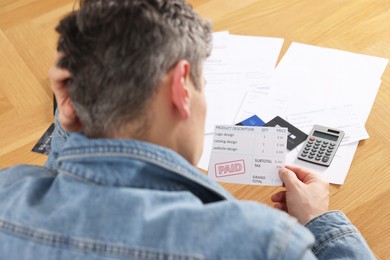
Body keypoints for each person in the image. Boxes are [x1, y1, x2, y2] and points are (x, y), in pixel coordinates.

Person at [0, 0, 374, 259]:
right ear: (181, 87)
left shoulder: (8, 192)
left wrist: (70, 123)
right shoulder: (261, 241)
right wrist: (319, 222)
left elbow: (72, 196)